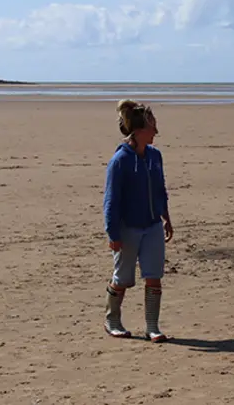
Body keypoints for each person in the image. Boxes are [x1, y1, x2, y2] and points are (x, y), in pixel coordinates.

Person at [102, 99, 175, 342]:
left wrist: (166, 217)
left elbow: (160, 189)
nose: (156, 131)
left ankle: (152, 326)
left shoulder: (155, 156)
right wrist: (113, 234)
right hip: (127, 229)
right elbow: (111, 200)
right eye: (152, 126)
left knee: (154, 276)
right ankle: (112, 320)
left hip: (152, 226)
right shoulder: (120, 161)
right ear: (140, 129)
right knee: (122, 278)